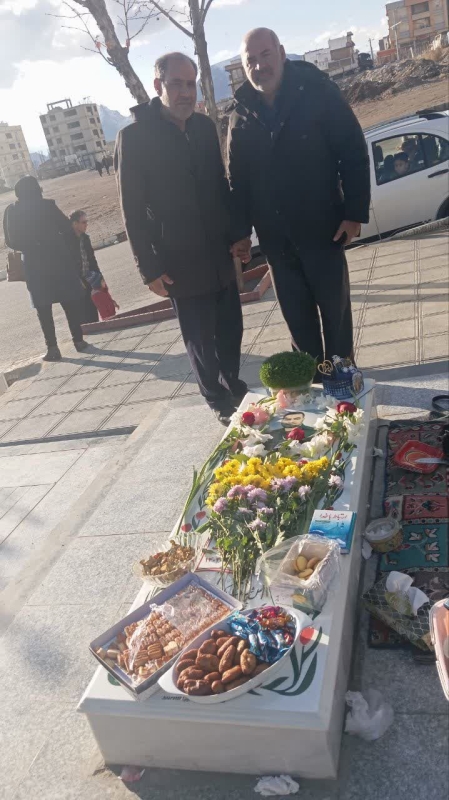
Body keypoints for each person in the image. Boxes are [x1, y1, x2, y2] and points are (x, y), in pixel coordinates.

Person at [115, 52, 248, 425]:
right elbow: (131, 210)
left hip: (218, 252)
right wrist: (148, 268)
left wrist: (238, 234)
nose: (187, 92)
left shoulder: (204, 127)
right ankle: (217, 399)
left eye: (192, 84)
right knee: (200, 338)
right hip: (179, 260)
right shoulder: (134, 138)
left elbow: (220, 184)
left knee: (231, 329)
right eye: (177, 84)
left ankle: (233, 385)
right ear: (158, 85)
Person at [227, 28, 371, 367]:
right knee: (300, 329)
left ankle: (343, 386)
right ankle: (313, 388)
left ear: (281, 52)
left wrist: (354, 214)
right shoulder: (239, 116)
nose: (259, 66)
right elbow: (238, 183)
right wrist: (240, 234)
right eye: (250, 61)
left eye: (265, 55)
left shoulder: (318, 92)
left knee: (337, 321)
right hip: (277, 244)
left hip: (325, 232)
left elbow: (352, 152)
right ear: (243, 68)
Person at [3, 176, 88, 361]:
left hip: (34, 263)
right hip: (59, 259)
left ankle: (52, 349)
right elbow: (66, 228)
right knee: (69, 302)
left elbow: (10, 241)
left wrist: (31, 244)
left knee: (43, 307)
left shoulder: (12, 211)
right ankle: (79, 341)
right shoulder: (48, 206)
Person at [70, 209, 100, 323]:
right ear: (75, 224)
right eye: (83, 222)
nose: (86, 224)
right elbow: (68, 263)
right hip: (76, 283)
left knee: (94, 312)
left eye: (87, 221)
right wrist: (77, 280)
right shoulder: (67, 240)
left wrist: (100, 282)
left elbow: (92, 261)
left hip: (89, 279)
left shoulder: (85, 238)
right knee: (83, 316)